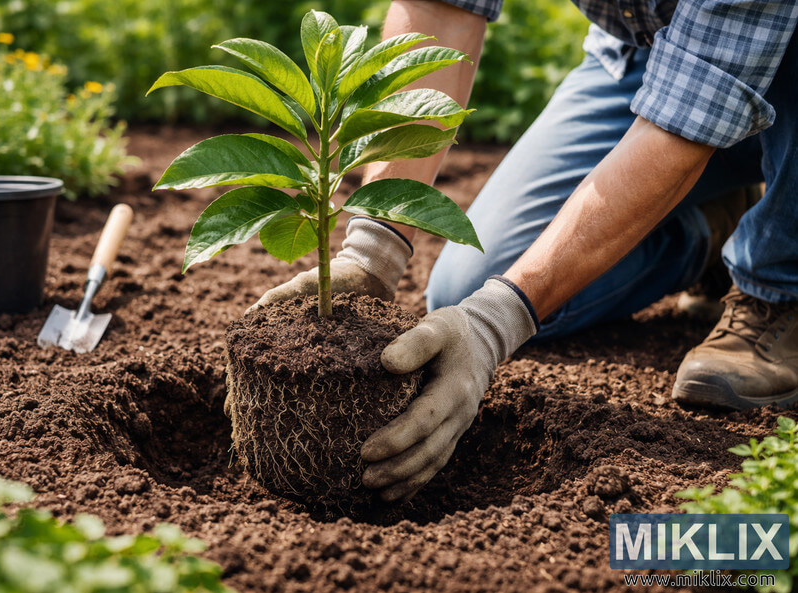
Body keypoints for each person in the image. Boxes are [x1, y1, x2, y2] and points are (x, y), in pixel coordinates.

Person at [251, 0, 798, 502]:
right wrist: (375, 247)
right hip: (649, 60)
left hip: (769, 60)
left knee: (499, 309)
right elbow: (441, 8)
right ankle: (709, 228)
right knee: (471, 284)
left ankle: (781, 284)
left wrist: (495, 326)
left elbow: (690, 120)